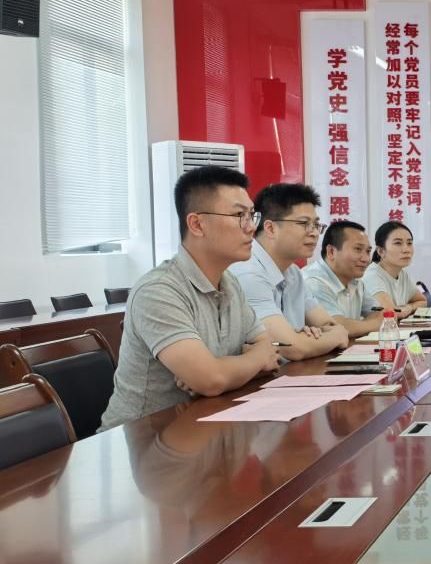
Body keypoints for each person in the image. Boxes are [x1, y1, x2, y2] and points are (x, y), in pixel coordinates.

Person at [99, 167, 281, 429]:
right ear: (196, 224)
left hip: (205, 426)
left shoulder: (230, 283)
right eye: (239, 215)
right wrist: (243, 364)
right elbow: (212, 379)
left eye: (251, 215)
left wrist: (224, 370)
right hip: (142, 438)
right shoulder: (158, 290)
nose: (252, 227)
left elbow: (269, 352)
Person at [229, 183, 350, 360]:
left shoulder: (293, 272)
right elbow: (291, 348)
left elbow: (329, 325)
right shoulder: (247, 272)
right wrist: (328, 338)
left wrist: (312, 338)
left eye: (316, 225)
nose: (314, 233)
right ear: (270, 228)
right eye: (304, 223)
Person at [303, 220, 384, 340]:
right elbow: (338, 328)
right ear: (331, 252)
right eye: (358, 249)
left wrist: (357, 326)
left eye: (368, 251)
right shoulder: (314, 282)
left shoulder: (356, 281)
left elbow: (380, 312)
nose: (366, 259)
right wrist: (374, 324)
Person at [363, 222, 431, 317]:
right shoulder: (372, 276)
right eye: (398, 243)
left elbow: (422, 301)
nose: (406, 250)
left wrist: (409, 307)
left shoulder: (402, 274)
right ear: (381, 251)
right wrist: (402, 310)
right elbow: (390, 313)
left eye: (409, 243)